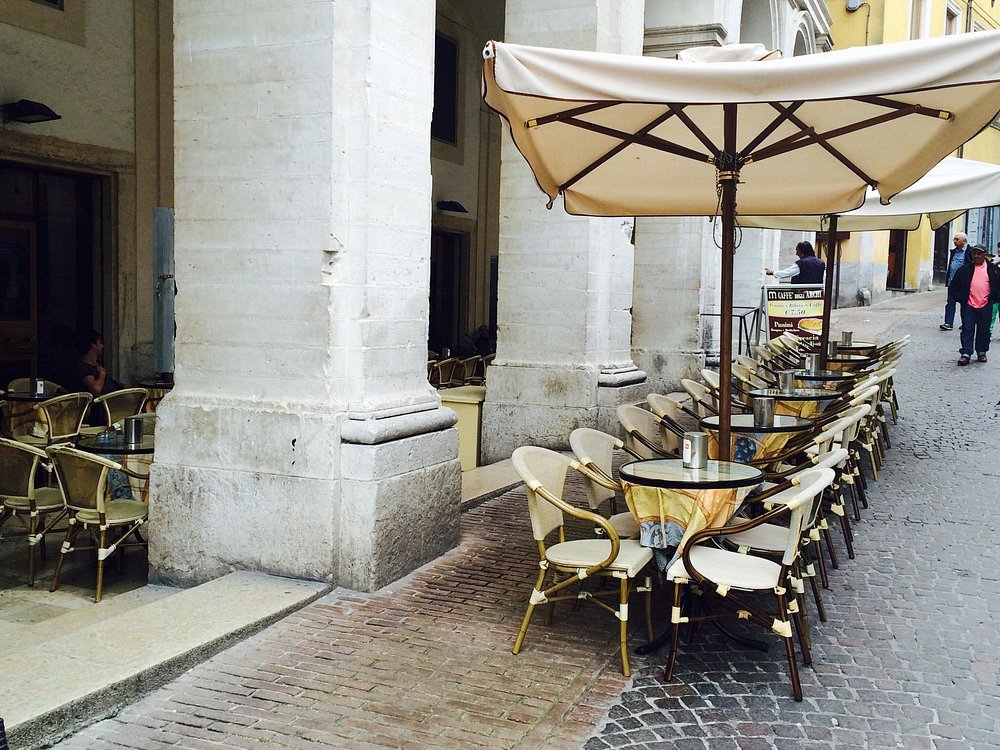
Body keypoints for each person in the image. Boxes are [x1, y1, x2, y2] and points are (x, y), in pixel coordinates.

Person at [949, 244, 1000, 365]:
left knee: (984, 330)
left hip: (986, 304)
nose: (976, 256)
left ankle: (981, 352)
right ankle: (966, 353)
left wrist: (994, 298)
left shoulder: (993, 269)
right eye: (974, 253)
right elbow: (954, 287)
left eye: (979, 253)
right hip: (968, 305)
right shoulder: (964, 269)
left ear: (984, 255)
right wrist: (961, 298)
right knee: (967, 328)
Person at [72, 329, 124, 397]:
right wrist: (102, 374)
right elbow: (96, 389)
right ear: (93, 345)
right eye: (100, 342)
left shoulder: (96, 365)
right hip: (108, 404)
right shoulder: (82, 367)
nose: (102, 346)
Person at [940, 232, 973, 330]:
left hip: (964, 284)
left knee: (965, 305)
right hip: (952, 282)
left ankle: (966, 323)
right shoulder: (954, 251)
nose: (954, 241)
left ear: (964, 240)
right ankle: (948, 323)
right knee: (950, 303)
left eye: (957, 239)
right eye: (954, 239)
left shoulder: (970, 251)